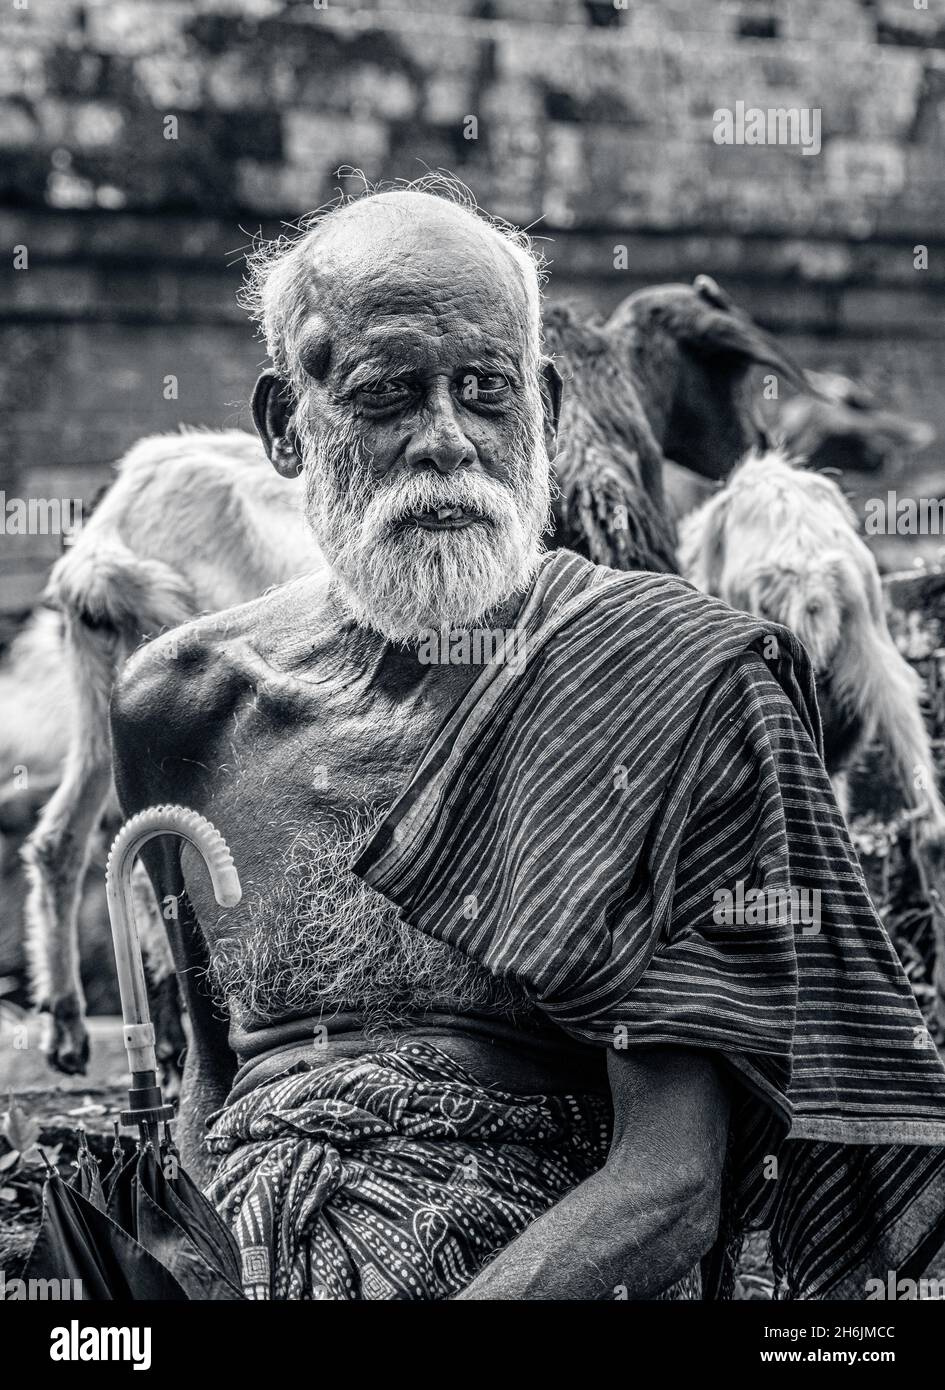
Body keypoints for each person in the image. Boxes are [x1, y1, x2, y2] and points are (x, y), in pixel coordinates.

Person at [111, 177, 945, 1301]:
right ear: (283, 428)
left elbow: (669, 1187)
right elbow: (208, 1087)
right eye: (387, 392)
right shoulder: (178, 705)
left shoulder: (671, 683)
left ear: (543, 408)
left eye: (488, 390)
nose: (447, 439)